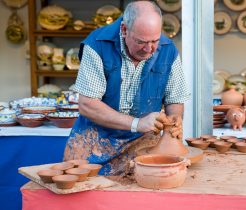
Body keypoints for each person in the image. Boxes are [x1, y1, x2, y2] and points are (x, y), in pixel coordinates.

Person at [63, 1, 190, 176]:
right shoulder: (97, 45)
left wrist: (175, 117)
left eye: (155, 41)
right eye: (141, 42)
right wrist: (137, 123)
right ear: (124, 30)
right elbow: (87, 104)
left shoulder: (168, 49)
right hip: (95, 140)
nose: (149, 49)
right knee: (83, 196)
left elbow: (175, 99)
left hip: (144, 142)